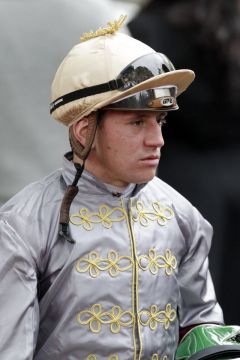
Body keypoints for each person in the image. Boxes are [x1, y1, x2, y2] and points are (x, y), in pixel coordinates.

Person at [0, 15, 240, 360]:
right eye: (137, 122)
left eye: (160, 121)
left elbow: (201, 326)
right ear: (85, 131)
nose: (157, 140)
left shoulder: (183, 214)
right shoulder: (21, 225)